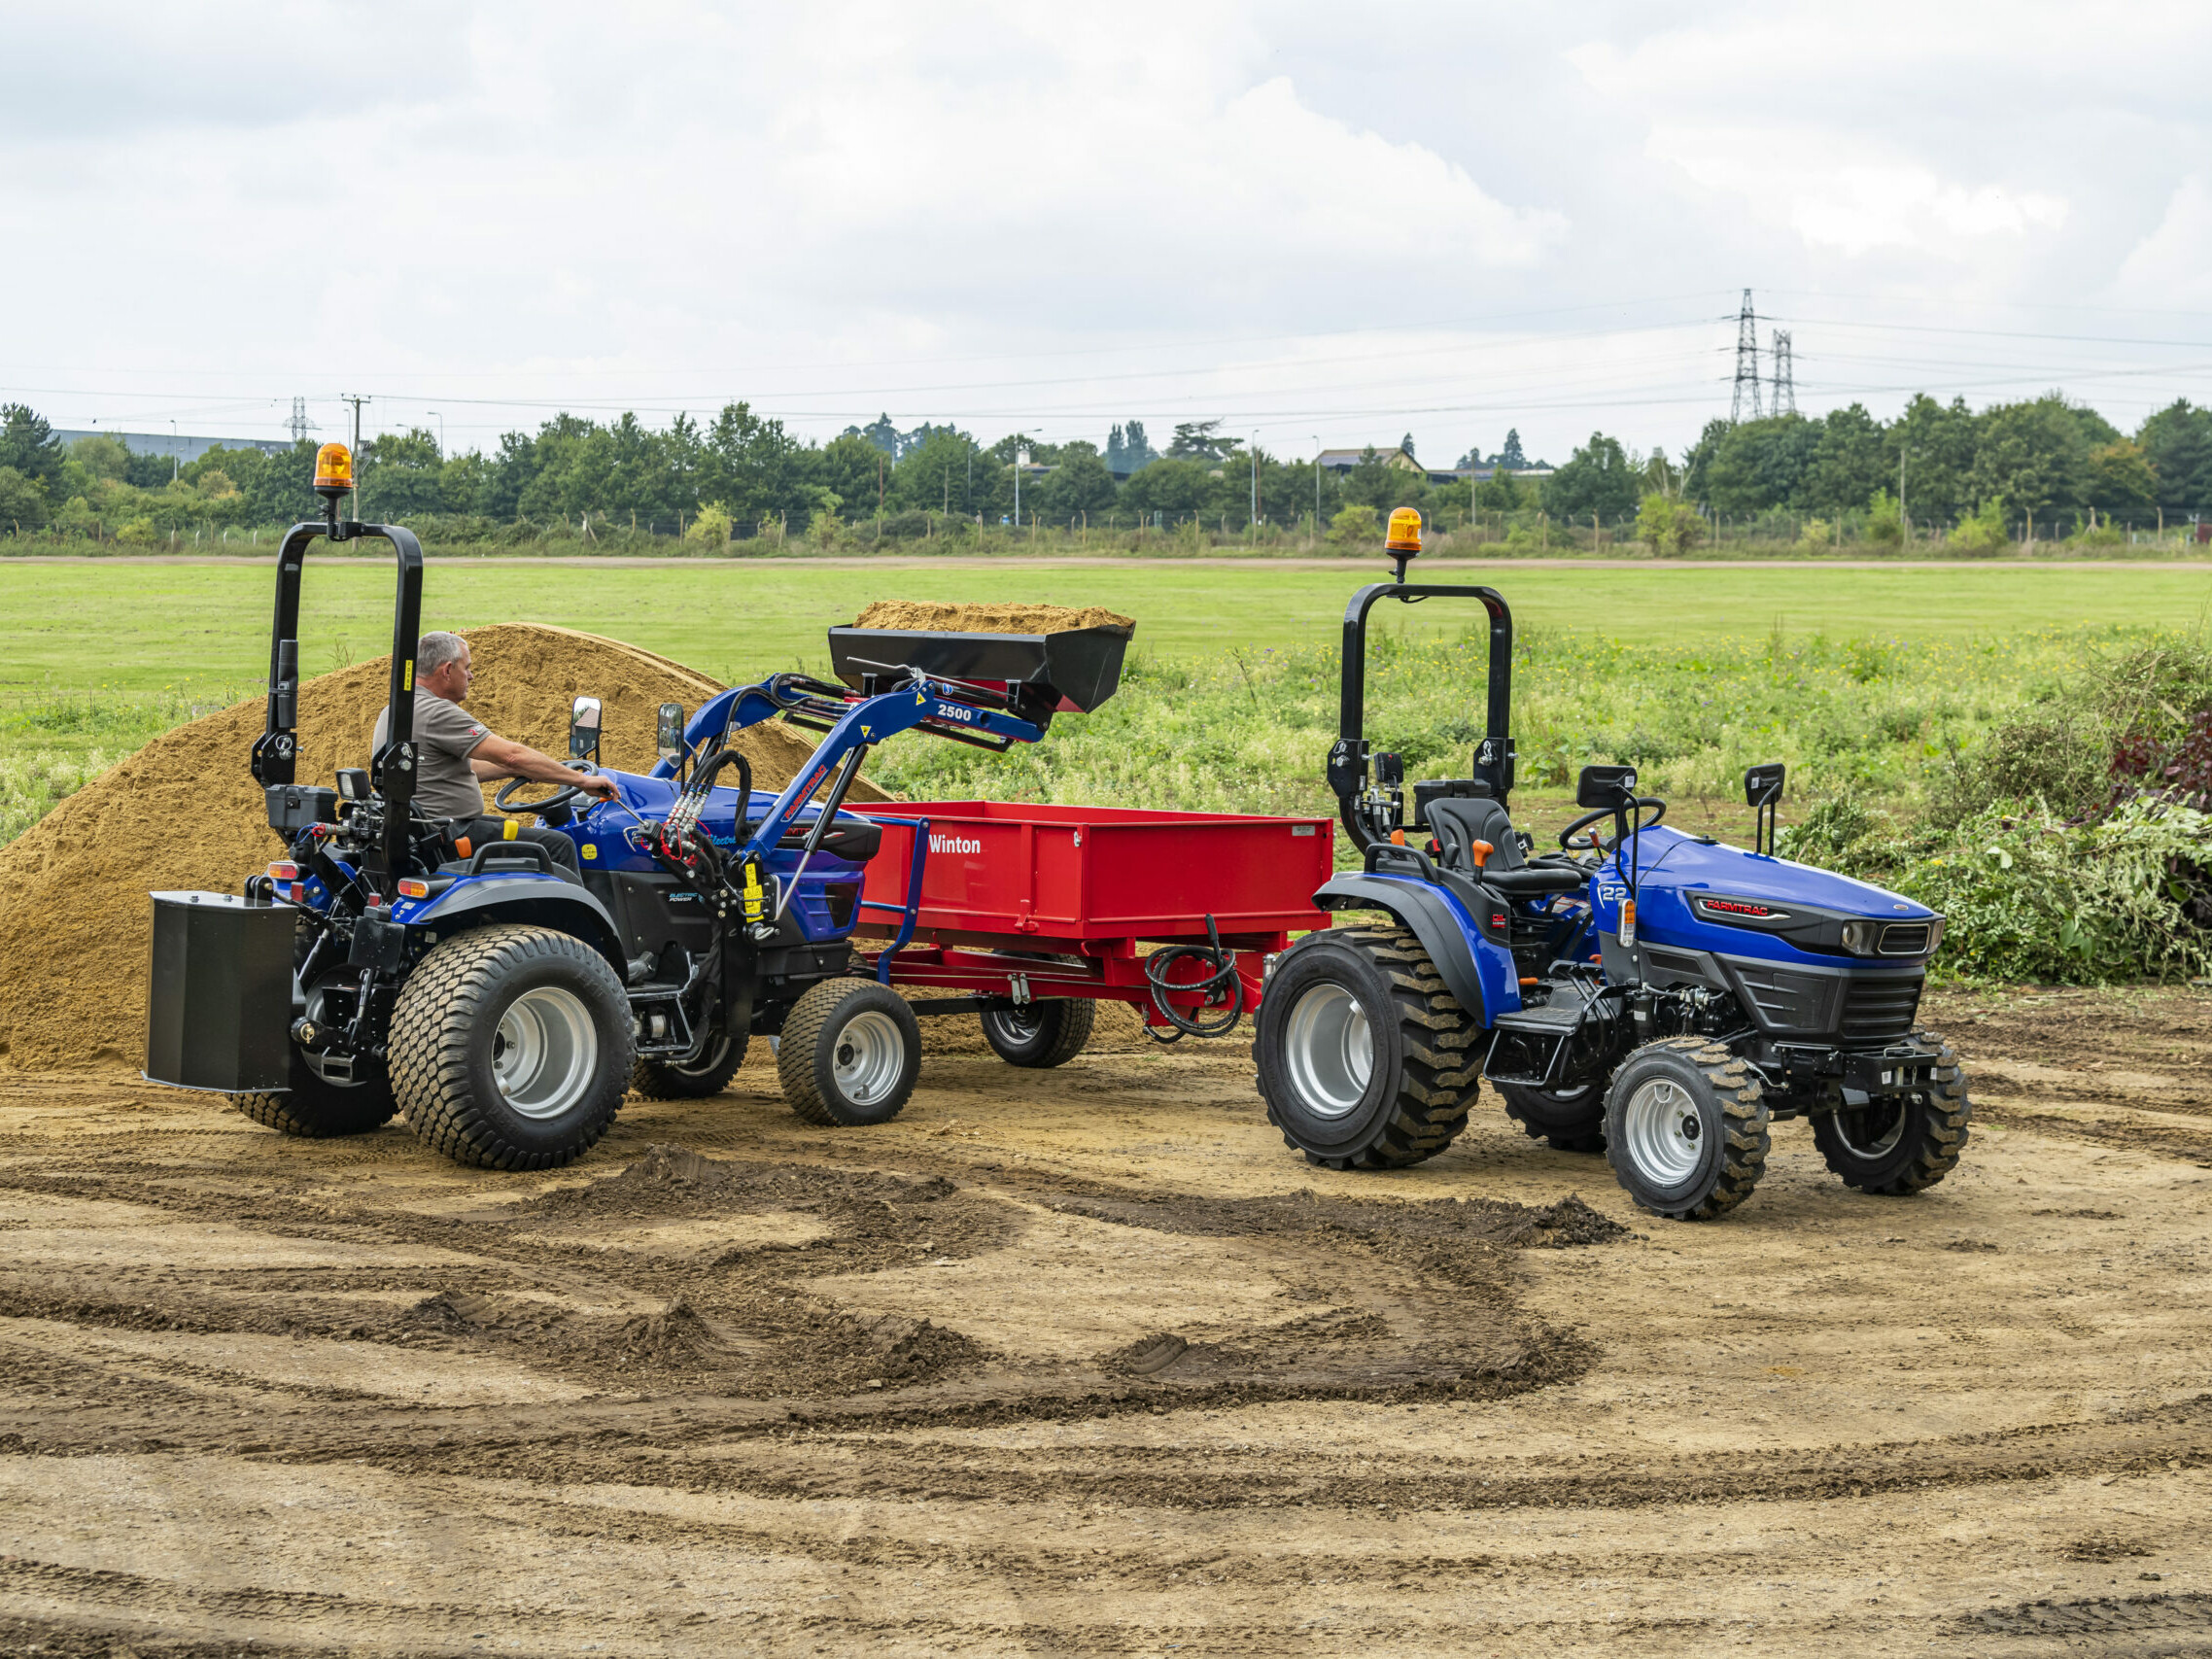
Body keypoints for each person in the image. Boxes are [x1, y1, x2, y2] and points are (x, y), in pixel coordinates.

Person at [369, 631, 616, 876]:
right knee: (559, 845)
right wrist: (582, 780)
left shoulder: (393, 712)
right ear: (447, 670)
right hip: (451, 837)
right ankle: (574, 916)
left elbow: (458, 768)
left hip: (427, 834)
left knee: (504, 827)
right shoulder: (437, 712)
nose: (471, 676)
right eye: (466, 668)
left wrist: (516, 770)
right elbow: (512, 755)